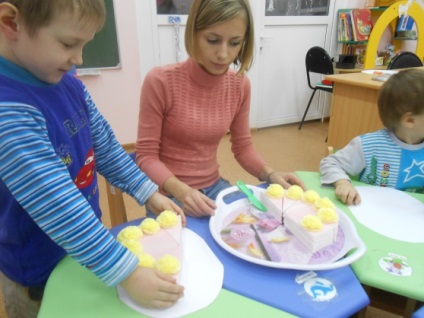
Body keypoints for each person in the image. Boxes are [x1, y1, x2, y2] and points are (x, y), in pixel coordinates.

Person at [0, 1, 185, 317]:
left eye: (85, 45)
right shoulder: (9, 111)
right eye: (69, 44)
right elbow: (58, 205)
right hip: (38, 273)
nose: (79, 58)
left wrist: (147, 192)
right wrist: (127, 272)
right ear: (11, 23)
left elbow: (107, 149)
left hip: (86, 251)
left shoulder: (68, 83)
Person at [136, 0, 305, 218]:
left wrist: (270, 173)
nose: (224, 54)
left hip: (214, 187)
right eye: (213, 40)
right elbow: (146, 157)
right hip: (167, 193)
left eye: (234, 43)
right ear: (194, 33)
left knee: (257, 229)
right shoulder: (159, 82)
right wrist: (183, 192)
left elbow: (243, 147)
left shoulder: (240, 85)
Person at [320, 69, 424, 206]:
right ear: (409, 120)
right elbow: (330, 163)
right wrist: (343, 183)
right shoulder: (368, 145)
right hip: (371, 213)